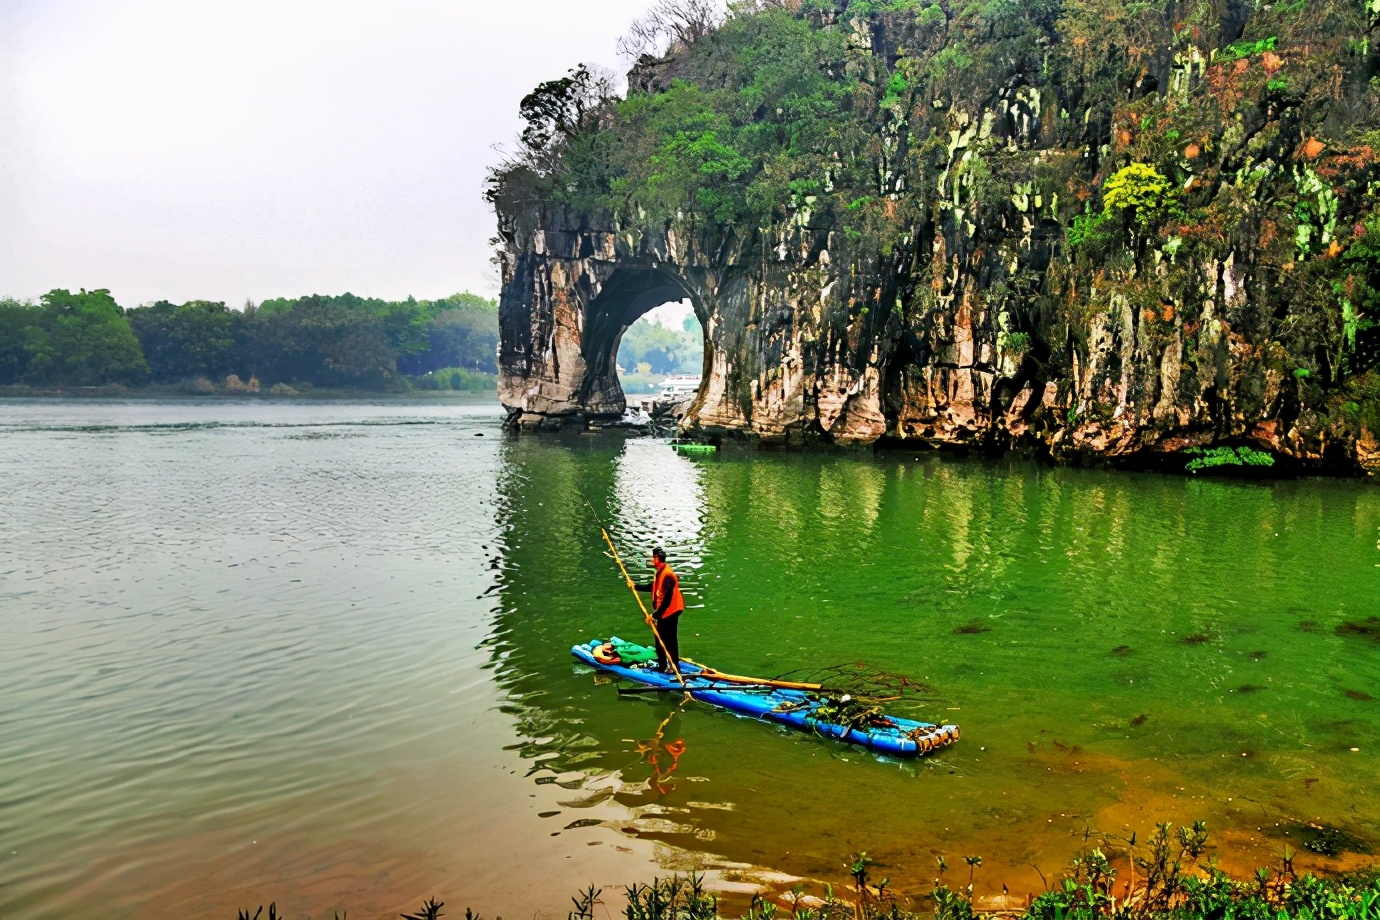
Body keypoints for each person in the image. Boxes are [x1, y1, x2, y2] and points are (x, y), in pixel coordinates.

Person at [635, 546, 685, 673]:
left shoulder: (667, 574)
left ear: (657, 558)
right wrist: (636, 586)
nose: (652, 560)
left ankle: (674, 667)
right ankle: (663, 666)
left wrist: (655, 615)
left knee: (668, 639)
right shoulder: (660, 572)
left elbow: (667, 599)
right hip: (665, 612)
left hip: (671, 611)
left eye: (653, 557)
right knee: (660, 639)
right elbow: (654, 587)